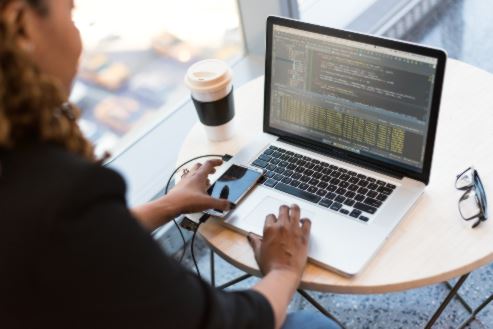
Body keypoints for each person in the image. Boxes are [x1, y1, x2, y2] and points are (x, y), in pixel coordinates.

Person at [0, 1, 340, 328]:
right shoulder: (63, 193)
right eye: (71, 12)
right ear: (22, 26)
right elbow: (223, 323)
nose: (77, 36)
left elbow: (71, 241)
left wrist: (168, 204)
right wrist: (283, 270)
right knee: (313, 325)